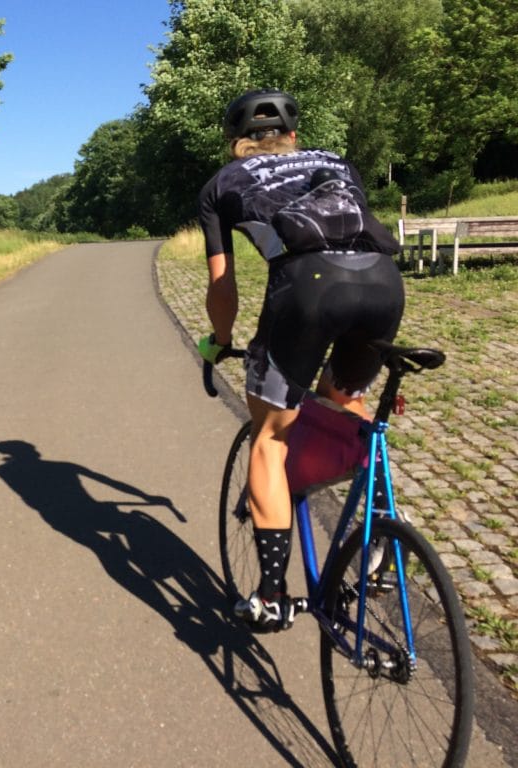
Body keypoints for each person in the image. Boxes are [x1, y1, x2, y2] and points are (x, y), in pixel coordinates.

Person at [196, 89, 405, 631]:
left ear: (234, 139)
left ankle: (270, 593)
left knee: (270, 436)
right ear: (293, 135)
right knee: (347, 399)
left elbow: (224, 284)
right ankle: (382, 534)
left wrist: (219, 339)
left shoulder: (222, 184)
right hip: (383, 283)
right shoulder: (336, 162)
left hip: (309, 289)